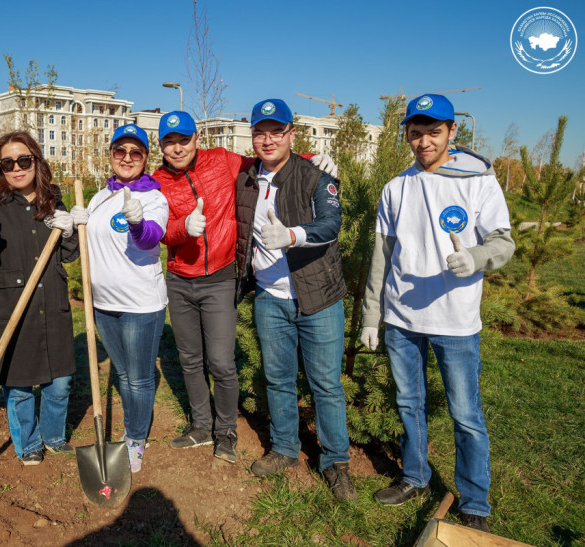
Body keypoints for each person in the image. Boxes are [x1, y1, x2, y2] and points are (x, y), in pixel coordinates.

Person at [361, 94, 514, 531]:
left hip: (455, 321)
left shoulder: (477, 181)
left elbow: (503, 242)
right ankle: (415, 477)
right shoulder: (396, 188)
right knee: (409, 404)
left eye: (434, 131)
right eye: (416, 132)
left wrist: (476, 257)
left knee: (466, 415)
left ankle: (475, 503)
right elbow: (381, 257)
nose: (424, 141)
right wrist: (372, 315)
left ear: (451, 132)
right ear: (406, 135)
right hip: (402, 321)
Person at [153, 111, 337, 463]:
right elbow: (157, 230)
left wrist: (313, 159)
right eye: (169, 142)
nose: (177, 148)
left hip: (220, 278)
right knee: (190, 360)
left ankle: (226, 431)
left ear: (196, 139)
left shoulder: (221, 161)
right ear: (160, 145)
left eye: (184, 140)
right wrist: (181, 229)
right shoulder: (157, 181)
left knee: (221, 362)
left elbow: (268, 160)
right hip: (180, 279)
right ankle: (201, 425)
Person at [235, 99, 356, 501]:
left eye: (277, 131)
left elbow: (331, 224)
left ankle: (335, 461)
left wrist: (291, 235)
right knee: (278, 379)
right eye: (260, 132)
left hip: (317, 297)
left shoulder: (314, 177)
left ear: (291, 134)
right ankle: (285, 448)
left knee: (326, 385)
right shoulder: (246, 178)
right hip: (270, 298)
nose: (268, 140)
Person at [0, 131, 77, 466]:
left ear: (36, 161)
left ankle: (53, 437)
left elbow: (69, 255)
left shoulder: (53, 202)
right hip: (8, 307)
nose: (16, 168)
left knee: (60, 381)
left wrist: (71, 231)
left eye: (23, 160)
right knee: (18, 385)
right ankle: (28, 444)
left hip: (51, 303)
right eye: (7, 163)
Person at [70, 124, 168, 473]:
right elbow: (87, 246)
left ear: (145, 158)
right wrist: (74, 225)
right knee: (123, 373)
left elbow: (150, 238)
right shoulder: (99, 197)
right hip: (103, 305)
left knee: (138, 377)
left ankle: (136, 438)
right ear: (111, 155)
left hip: (140, 305)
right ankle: (132, 428)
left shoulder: (154, 198)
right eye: (119, 151)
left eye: (135, 152)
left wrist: (138, 224)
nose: (127, 158)